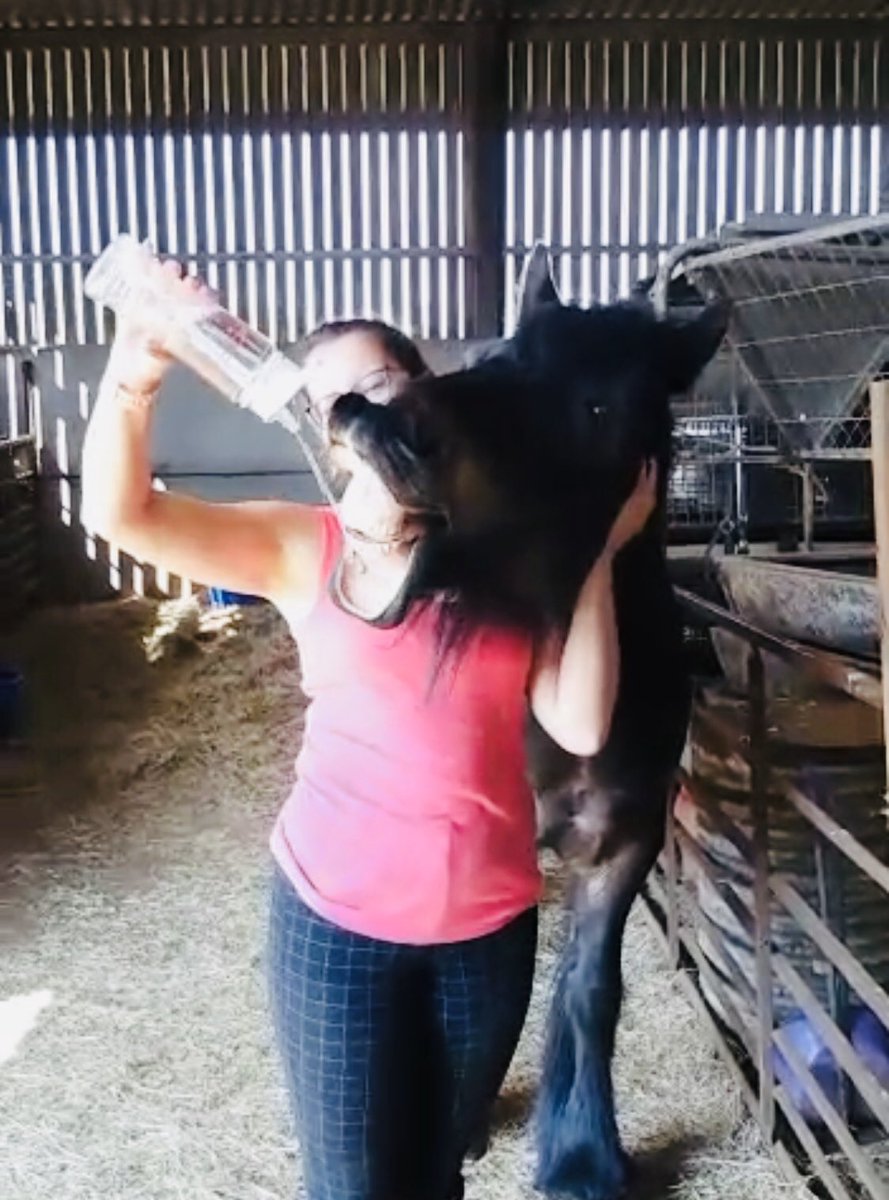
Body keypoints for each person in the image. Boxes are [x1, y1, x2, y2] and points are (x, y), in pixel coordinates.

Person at [81, 259, 658, 1200]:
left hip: (486, 932)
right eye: (334, 401)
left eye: (379, 384)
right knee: (353, 1187)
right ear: (328, 433)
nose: (359, 408)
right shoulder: (302, 544)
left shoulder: (506, 552)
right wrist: (138, 364)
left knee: (438, 1173)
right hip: (334, 930)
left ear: (425, 393)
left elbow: (581, 719)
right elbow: (120, 512)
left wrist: (599, 549)